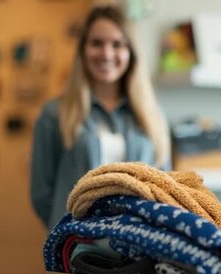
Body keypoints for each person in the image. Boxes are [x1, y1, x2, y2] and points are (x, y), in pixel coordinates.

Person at [30, 5, 170, 230]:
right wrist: (68, 233)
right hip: (76, 250)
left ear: (131, 53)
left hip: (140, 248)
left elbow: (166, 189)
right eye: (97, 43)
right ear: (83, 50)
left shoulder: (153, 117)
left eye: (117, 44)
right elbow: (41, 195)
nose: (106, 53)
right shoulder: (54, 114)